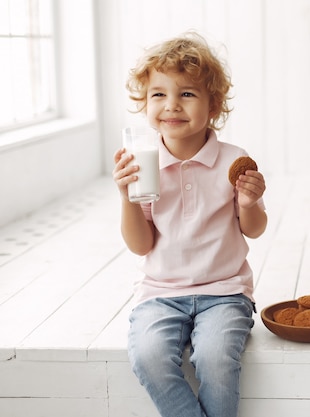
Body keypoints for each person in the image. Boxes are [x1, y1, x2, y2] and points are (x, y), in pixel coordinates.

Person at [112, 32, 267, 417]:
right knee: (148, 356)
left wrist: (247, 202)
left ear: (213, 106)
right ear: (144, 104)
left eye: (187, 94)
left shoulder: (235, 158)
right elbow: (141, 245)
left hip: (225, 291)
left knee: (216, 360)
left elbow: (255, 228)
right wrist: (125, 197)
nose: (171, 106)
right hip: (159, 292)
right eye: (158, 95)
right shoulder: (143, 162)